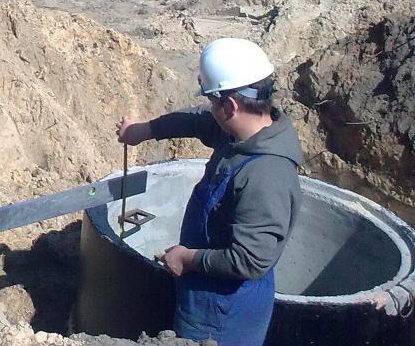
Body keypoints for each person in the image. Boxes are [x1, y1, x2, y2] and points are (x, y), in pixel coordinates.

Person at [116, 38, 302, 346]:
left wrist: (187, 259)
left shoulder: (266, 175)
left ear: (230, 106)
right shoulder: (240, 134)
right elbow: (195, 123)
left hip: (224, 311)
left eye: (212, 103)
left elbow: (249, 261)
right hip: (206, 292)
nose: (209, 110)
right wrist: (145, 130)